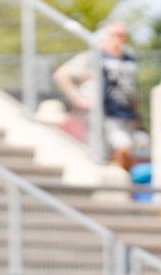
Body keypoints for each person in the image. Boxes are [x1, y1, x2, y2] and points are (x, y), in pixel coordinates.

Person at [52, 22, 144, 170]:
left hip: (125, 113)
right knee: (121, 147)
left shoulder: (129, 59)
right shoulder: (94, 56)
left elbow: (131, 90)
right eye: (116, 34)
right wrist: (77, 98)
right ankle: (117, 181)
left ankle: (120, 183)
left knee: (124, 153)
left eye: (124, 35)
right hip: (103, 112)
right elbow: (61, 74)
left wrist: (138, 117)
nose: (120, 38)